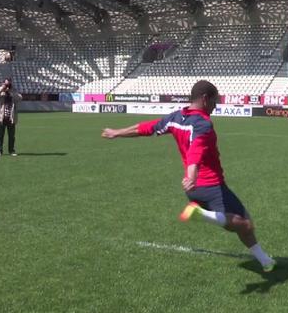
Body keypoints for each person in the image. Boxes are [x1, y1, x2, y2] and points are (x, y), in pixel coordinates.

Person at [101, 80, 275, 272]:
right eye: (215, 101)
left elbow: (146, 128)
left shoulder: (176, 117)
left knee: (241, 221)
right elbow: (196, 151)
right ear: (205, 99)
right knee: (245, 224)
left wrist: (117, 132)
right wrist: (192, 175)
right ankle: (204, 215)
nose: (215, 106)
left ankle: (265, 261)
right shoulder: (203, 123)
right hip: (209, 186)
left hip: (194, 190)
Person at [0, 78, 22, 157]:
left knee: (11, 136)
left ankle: (11, 150)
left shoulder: (13, 91)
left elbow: (19, 98)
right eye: (6, 84)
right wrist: (2, 88)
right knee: (0, 135)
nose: (8, 86)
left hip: (11, 117)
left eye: (9, 84)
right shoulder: (1, 92)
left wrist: (11, 90)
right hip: (1, 117)